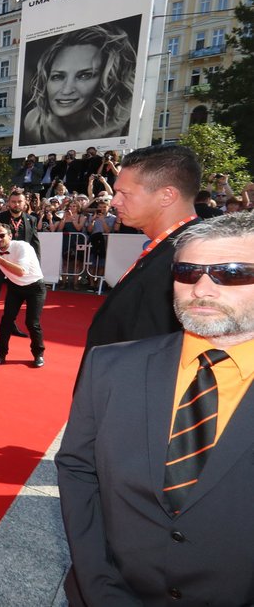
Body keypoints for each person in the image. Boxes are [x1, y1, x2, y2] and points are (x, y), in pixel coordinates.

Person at [56, 212, 254, 605]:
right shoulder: (110, 366)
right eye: (187, 271)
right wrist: (99, 587)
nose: (201, 288)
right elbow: (78, 472)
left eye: (230, 273)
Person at [85, 144, 202, 354]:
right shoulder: (172, 247)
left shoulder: (195, 259)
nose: (113, 201)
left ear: (167, 196)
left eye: (124, 193)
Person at [21, 23, 137, 146]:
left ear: (107, 78)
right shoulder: (35, 123)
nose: (66, 90)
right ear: (46, 79)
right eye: (58, 76)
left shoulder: (126, 122)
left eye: (84, 76)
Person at [0, 221, 46, 368]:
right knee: (6, 321)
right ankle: (0, 355)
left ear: (10, 235)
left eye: (2, 235)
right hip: (15, 287)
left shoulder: (22, 246)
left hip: (35, 287)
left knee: (32, 322)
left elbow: (21, 271)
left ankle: (38, 354)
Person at [0, 189, 40, 332]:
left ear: (24, 202)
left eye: (19, 201)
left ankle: (11, 325)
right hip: (0, 262)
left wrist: (36, 265)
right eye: (13, 202)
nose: (16, 204)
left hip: (19, 265)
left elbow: (35, 243)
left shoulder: (31, 219)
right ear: (9, 202)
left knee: (14, 297)